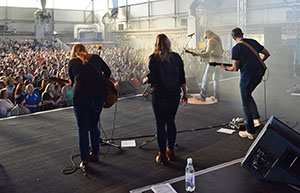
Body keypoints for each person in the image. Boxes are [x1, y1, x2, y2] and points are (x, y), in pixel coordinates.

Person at [143, 34, 188, 166]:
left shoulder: (154, 58)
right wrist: (185, 93)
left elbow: (152, 77)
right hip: (174, 94)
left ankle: (162, 154)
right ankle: (171, 150)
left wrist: (145, 79)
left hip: (159, 95)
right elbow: (182, 77)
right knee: (171, 122)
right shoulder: (176, 57)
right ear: (169, 43)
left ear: (156, 44)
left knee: (160, 124)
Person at [68, 44, 111, 172]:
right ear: (85, 50)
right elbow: (108, 72)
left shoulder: (72, 62)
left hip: (81, 97)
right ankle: (95, 154)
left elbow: (72, 81)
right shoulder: (96, 58)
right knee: (94, 125)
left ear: (74, 52)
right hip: (98, 96)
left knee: (83, 129)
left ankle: (85, 161)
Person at [221, 27, 270, 140]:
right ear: (242, 34)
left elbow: (235, 68)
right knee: (248, 95)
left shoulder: (236, 48)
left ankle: (250, 132)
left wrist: (225, 68)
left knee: (245, 102)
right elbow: (267, 54)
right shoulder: (253, 42)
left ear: (233, 37)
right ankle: (256, 119)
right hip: (258, 75)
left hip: (247, 77)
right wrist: (258, 63)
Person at [190, 30, 223, 102]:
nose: (206, 38)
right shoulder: (218, 39)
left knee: (206, 78)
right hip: (219, 61)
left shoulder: (211, 40)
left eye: (206, 37)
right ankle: (216, 96)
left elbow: (207, 53)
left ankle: (202, 96)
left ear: (208, 34)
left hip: (213, 61)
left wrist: (196, 54)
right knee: (216, 80)